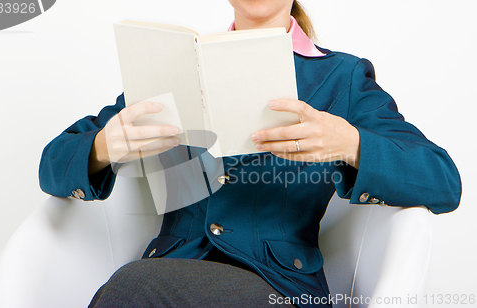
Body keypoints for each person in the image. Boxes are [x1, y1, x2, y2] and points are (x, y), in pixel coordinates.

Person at [39, 0, 462, 307]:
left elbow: (443, 180)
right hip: (172, 268)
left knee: (132, 287)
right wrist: (101, 148)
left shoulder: (339, 78)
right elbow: (51, 165)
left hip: (278, 287)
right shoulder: (175, 65)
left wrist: (351, 144)